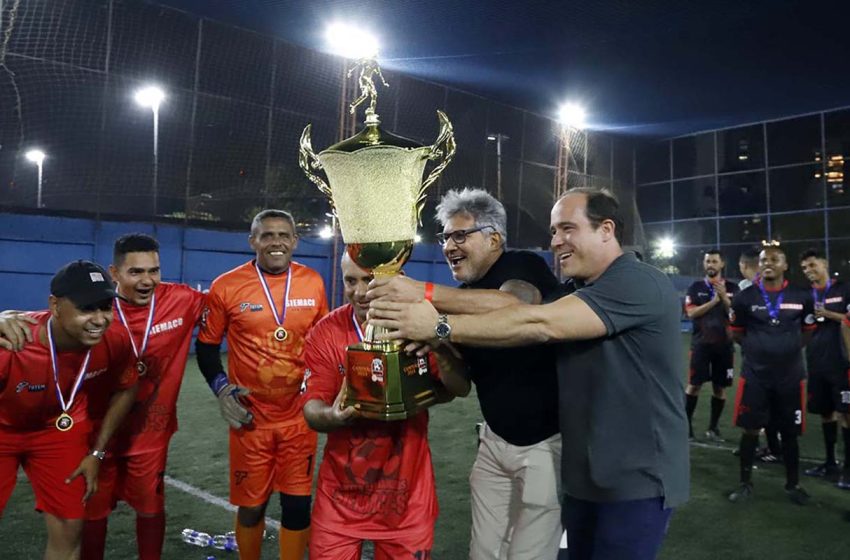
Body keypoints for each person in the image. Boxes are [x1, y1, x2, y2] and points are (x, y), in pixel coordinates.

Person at [369, 187, 689, 560]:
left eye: (567, 228)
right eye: (553, 231)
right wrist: (439, 339)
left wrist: (437, 321)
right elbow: (508, 324)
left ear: (606, 229)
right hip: (583, 476)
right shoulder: (573, 289)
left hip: (637, 481)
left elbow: (535, 321)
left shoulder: (637, 281)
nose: (555, 241)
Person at [367, 188, 563, 560]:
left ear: (494, 238)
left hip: (545, 444)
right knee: (483, 553)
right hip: (493, 442)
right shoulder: (462, 294)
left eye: (460, 235)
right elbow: (460, 386)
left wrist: (423, 296)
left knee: (530, 555)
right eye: (444, 237)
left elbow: (515, 306)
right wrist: (439, 346)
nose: (449, 246)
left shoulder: (522, 265)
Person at [301, 252, 465, 559]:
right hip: (340, 501)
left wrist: (440, 349)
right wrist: (334, 416)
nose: (361, 292)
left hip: (407, 501)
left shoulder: (418, 324)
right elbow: (312, 409)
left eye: (370, 280)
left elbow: (455, 389)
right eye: (351, 281)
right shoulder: (326, 332)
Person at [196, 209, 328, 560]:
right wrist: (222, 389)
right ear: (252, 241)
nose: (276, 242)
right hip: (250, 418)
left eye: (284, 235)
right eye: (266, 235)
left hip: (299, 417)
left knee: (298, 505)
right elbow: (207, 347)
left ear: (295, 241)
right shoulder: (227, 285)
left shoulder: (313, 281)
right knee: (252, 507)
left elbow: (320, 343)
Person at [0, 260, 138, 559]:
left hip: (58, 430)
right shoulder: (12, 343)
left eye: (106, 307)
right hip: (2, 430)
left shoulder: (114, 340)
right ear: (55, 305)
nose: (100, 319)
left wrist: (97, 453)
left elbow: (127, 388)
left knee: (70, 526)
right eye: (87, 308)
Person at [727, 243, 815, 505]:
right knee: (750, 429)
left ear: (785, 265)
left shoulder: (802, 296)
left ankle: (793, 484)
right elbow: (737, 332)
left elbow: (808, 331)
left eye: (775, 260)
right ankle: (744, 484)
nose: (768, 263)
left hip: (789, 376)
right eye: (764, 259)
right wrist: (760, 350)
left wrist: (785, 349)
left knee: (789, 432)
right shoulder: (745, 297)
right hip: (756, 376)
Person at [800, 249, 850, 486]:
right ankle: (829, 463)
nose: (809, 271)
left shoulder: (843, 290)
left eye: (812, 265)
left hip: (842, 362)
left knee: (846, 414)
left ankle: (848, 469)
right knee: (825, 412)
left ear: (824, 264)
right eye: (805, 268)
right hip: (816, 362)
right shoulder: (805, 296)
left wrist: (828, 313)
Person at [684, 250, 738, 441]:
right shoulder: (695, 287)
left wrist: (724, 298)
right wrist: (713, 301)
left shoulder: (733, 287)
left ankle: (713, 428)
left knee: (719, 388)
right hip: (701, 345)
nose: (710, 265)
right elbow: (691, 313)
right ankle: (686, 428)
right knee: (693, 385)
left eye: (714, 261)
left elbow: (736, 315)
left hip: (724, 346)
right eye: (708, 261)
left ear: (722, 264)